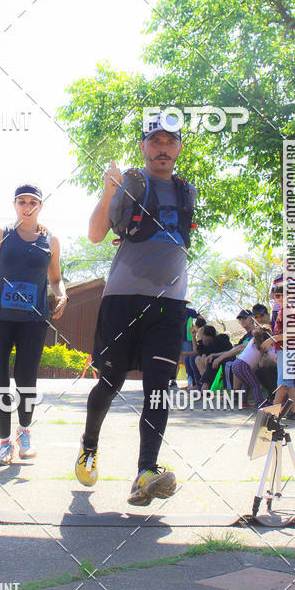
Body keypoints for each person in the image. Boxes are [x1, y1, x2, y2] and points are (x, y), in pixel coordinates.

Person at [75, 117, 196, 506]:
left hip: (171, 304)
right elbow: (96, 234)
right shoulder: (130, 184)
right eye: (155, 141)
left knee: (159, 388)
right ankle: (89, 446)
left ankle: (146, 471)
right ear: (144, 146)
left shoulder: (186, 190)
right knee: (108, 384)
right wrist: (109, 190)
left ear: (178, 148)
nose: (163, 147)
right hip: (123, 301)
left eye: (170, 141)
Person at [0, 185, 67, 464]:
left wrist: (62, 294)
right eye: (22, 201)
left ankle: (25, 432)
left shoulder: (50, 241)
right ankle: (4, 442)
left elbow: (55, 278)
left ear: (40, 206)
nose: (27, 206)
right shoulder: (1, 234)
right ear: (14, 204)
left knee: (26, 378)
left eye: (33, 202)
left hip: (33, 319)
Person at [262, 281, 295, 420]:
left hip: (288, 350)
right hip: (283, 351)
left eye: (280, 295)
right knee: (289, 384)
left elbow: (292, 333)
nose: (277, 298)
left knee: (283, 383)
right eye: (275, 296)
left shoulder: (289, 311)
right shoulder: (282, 311)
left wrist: (272, 340)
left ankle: (274, 411)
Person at [225, 327, 275, 408]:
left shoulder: (252, 341)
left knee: (247, 384)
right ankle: (261, 403)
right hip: (243, 365)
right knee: (255, 384)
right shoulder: (264, 346)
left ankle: (243, 402)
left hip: (236, 364)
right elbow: (273, 355)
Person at [197, 325, 233, 390]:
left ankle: (205, 386)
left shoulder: (216, 342)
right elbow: (202, 352)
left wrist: (199, 341)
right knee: (199, 358)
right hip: (224, 357)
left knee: (211, 360)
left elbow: (202, 352)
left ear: (207, 336)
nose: (202, 340)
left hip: (230, 359)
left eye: (203, 337)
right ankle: (203, 385)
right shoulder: (215, 341)